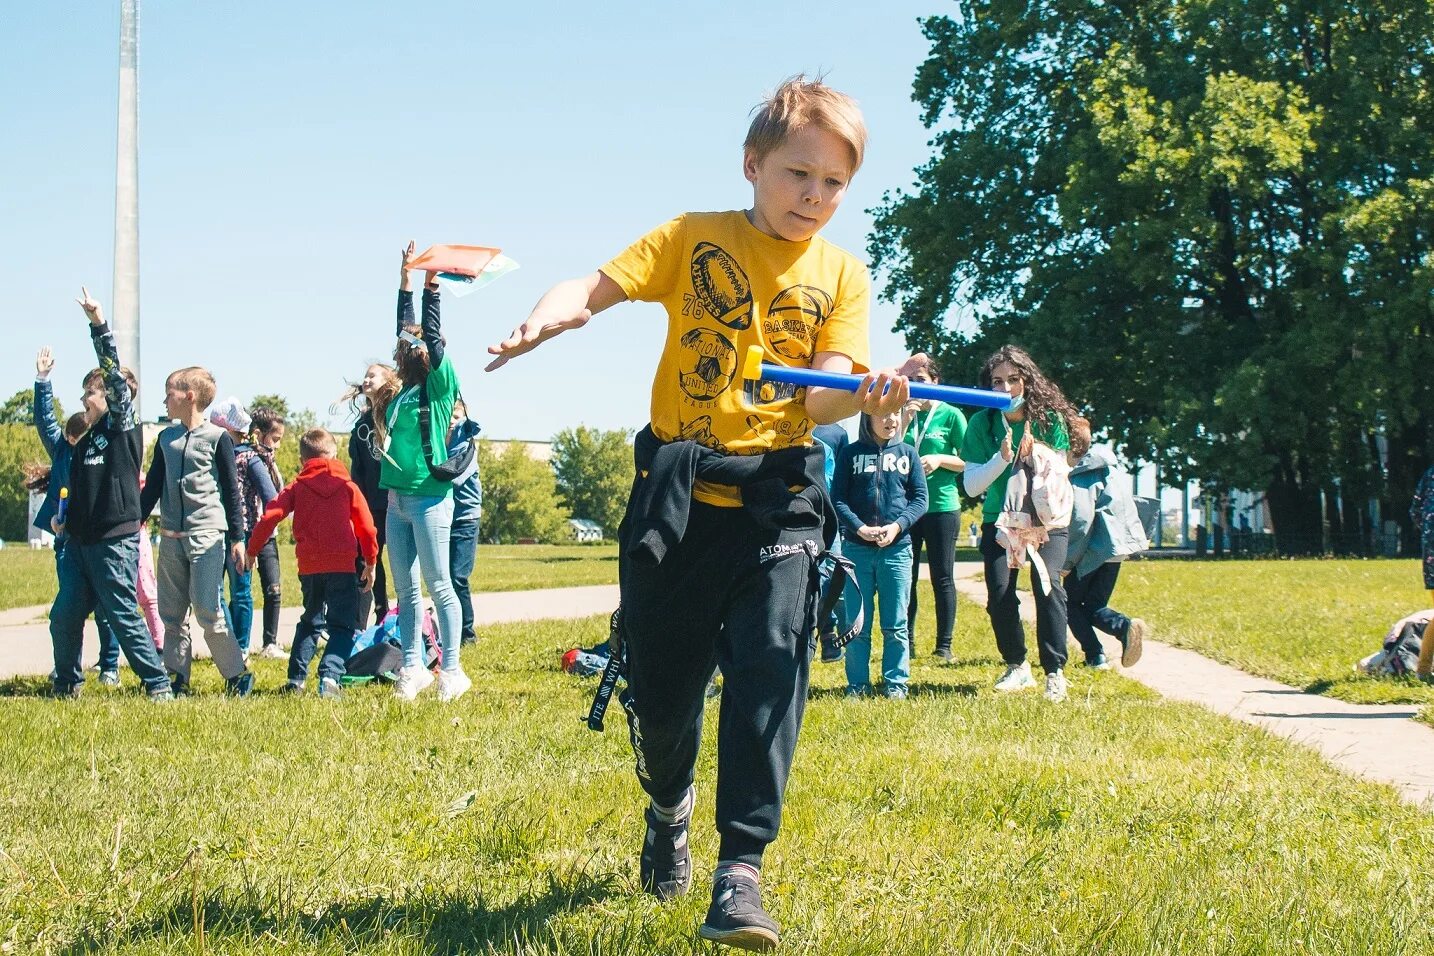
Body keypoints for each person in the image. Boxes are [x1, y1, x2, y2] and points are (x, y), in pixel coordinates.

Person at [485, 75, 914, 951]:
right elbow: (592, 287)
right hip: (679, 499)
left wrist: (863, 395)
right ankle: (667, 803)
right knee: (665, 697)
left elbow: (828, 396)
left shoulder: (843, 273)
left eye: (835, 184)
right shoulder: (691, 239)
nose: (816, 198)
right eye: (800, 174)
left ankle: (741, 874)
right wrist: (544, 322)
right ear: (752, 164)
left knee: (771, 667)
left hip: (782, 501)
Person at [48, 288, 172, 700]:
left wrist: (98, 324)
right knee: (64, 615)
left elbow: (114, 376)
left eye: (91, 393)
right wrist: (64, 517)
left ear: (112, 399)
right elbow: (77, 487)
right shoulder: (84, 439)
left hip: (114, 541)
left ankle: (157, 685)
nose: (84, 399)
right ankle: (67, 683)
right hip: (80, 542)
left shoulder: (121, 427)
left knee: (122, 615)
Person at [960, 345, 1076, 703]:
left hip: (1046, 519)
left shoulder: (1049, 419)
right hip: (1001, 519)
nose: (1006, 388)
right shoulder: (981, 423)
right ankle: (1017, 665)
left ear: (1027, 381)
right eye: (997, 381)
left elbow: (1059, 475)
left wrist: (1035, 453)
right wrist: (1002, 458)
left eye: (1014, 379)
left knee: (1049, 586)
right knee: (999, 593)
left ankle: (1054, 671)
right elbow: (971, 485)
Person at [382, 242, 469, 702]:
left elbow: (429, 339)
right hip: (397, 501)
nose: (408, 347)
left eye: (416, 344)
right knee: (406, 591)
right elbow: (405, 329)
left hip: (431, 499)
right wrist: (405, 281)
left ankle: (452, 671)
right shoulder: (402, 390)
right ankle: (412, 668)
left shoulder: (440, 385)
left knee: (439, 585)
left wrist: (432, 289)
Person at [140, 366, 253, 696]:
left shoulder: (218, 439)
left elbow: (232, 492)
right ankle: (177, 677)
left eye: (169, 393)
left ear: (188, 397)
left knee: (208, 610)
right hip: (171, 536)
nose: (164, 400)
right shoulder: (165, 439)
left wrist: (238, 538)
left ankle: (237, 675)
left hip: (207, 535)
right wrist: (136, 521)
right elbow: (152, 487)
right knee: (171, 614)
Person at [247, 428, 377, 698]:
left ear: (303, 459)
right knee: (342, 625)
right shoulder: (347, 486)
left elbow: (270, 515)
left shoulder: (297, 486)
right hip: (342, 565)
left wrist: (252, 550)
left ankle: (296, 680)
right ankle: (330, 675)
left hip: (309, 567)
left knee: (310, 621)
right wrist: (370, 560)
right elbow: (366, 526)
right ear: (334, 454)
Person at [31, 347, 123, 683]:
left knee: (105, 608)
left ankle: (109, 666)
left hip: (98, 537)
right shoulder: (61, 448)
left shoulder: (101, 445)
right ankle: (68, 666)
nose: (73, 441)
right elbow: (45, 419)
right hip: (67, 539)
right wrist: (43, 380)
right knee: (70, 605)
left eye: (78, 436)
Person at [831, 409, 927, 699]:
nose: (891, 421)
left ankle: (896, 685)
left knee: (895, 624)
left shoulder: (908, 454)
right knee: (858, 623)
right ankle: (856, 686)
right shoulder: (850, 454)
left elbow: (921, 499)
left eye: (895, 414)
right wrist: (859, 528)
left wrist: (898, 527)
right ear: (867, 418)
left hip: (896, 552)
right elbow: (837, 498)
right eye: (883, 414)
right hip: (857, 551)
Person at [1062, 416, 1149, 669]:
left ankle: (1095, 655)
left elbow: (1081, 521)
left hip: (1095, 549)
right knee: (1093, 605)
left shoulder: (1082, 473)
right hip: (1117, 549)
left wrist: (1067, 562)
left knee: (1067, 602)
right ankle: (1125, 628)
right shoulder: (1110, 467)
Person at [900, 360, 966, 661]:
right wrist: (904, 420)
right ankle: (907, 642)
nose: (915, 384)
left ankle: (944, 645)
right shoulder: (902, 412)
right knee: (906, 576)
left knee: (943, 576)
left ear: (936, 382)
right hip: (907, 507)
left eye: (922, 379)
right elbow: (889, 452)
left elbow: (971, 462)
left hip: (942, 506)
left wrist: (940, 458)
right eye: (910, 379)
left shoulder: (952, 415)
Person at [209, 398, 279, 659]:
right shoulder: (212, 454)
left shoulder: (249, 457)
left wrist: (260, 531)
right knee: (215, 591)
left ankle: (241, 645)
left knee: (240, 591)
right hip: (214, 528)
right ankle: (226, 644)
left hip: (244, 531)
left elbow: (271, 496)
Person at [342, 365, 399, 628]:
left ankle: (392, 615)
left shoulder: (397, 415)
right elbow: (358, 469)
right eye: (364, 375)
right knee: (365, 558)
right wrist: (355, 505)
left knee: (397, 559)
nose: (366, 379)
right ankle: (362, 621)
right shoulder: (361, 425)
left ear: (389, 380)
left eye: (373, 375)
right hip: (369, 505)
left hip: (395, 501)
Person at [248, 407, 287, 658]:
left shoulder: (271, 462)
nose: (278, 446)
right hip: (247, 531)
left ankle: (269, 643)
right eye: (275, 439)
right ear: (258, 434)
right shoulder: (248, 459)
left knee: (273, 589)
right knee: (242, 590)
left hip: (268, 535)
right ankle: (240, 643)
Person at [812, 422, 850, 662]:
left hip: (830, 518)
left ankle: (829, 635)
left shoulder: (836, 433)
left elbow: (842, 479)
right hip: (798, 514)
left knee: (833, 577)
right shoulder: (789, 423)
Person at [446, 400, 483, 645]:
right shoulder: (439, 444)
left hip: (465, 519)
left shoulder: (467, 444)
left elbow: (454, 477)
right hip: (444, 518)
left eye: (456, 415)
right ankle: (451, 629)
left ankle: (467, 634)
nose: (451, 420)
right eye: (447, 414)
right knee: (444, 579)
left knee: (458, 576)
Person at [1413, 464, 1434, 680]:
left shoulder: (1429, 473)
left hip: (1430, 552)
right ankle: (1424, 669)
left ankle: (1424, 669)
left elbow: (1415, 511)